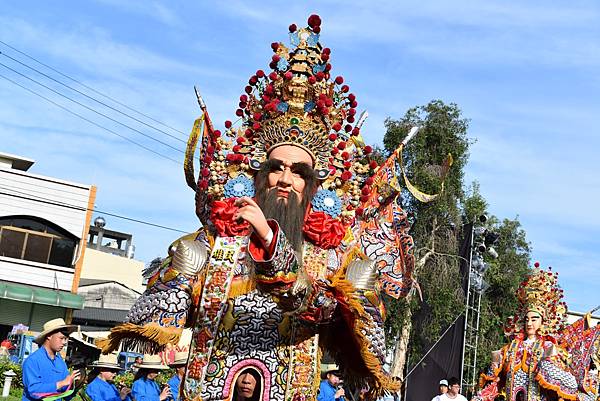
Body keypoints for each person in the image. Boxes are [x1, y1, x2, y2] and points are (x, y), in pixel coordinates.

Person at [99, 14, 419, 401]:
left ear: (313, 185)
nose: (285, 179)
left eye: (298, 172)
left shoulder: (332, 256)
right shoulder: (213, 244)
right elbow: (160, 311)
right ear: (258, 174)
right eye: (276, 168)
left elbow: (328, 314)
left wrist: (269, 242)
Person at [478, 264, 578, 401]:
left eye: (534, 319)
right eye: (527, 319)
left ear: (543, 321)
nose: (529, 323)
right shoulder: (511, 348)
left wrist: (547, 366)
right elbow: (493, 382)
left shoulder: (548, 347)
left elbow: (571, 385)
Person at [22, 318, 80, 401]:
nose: (64, 342)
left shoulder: (60, 362)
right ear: (49, 336)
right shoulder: (32, 361)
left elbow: (65, 395)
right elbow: (34, 391)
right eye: (61, 338)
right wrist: (62, 383)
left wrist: (75, 385)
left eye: (65, 339)